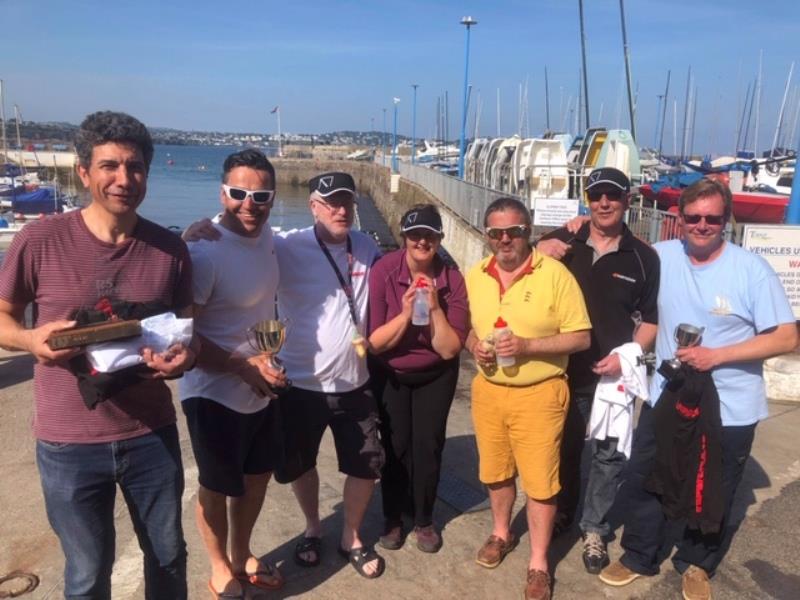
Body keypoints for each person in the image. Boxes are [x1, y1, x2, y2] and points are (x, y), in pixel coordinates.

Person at [0, 111, 195, 599]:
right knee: (87, 573)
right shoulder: (38, 240)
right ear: (83, 172)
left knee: (169, 558)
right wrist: (29, 340)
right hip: (68, 444)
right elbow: (3, 316)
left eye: (135, 167)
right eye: (109, 166)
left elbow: (185, 335)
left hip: (151, 435)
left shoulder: (170, 249)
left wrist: (181, 361)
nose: (123, 179)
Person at [598, 178, 797, 600]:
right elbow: (610, 242)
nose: (702, 225)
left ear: (726, 220)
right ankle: (638, 554)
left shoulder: (751, 270)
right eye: (693, 217)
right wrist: (569, 233)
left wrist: (716, 356)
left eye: (713, 218)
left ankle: (695, 563)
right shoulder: (660, 256)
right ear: (679, 218)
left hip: (730, 405)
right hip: (667, 396)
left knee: (714, 489)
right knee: (649, 475)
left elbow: (786, 338)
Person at [465, 197, 592, 600]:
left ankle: (539, 563)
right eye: (496, 233)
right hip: (489, 391)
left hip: (540, 392)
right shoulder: (476, 275)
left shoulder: (554, 274)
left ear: (529, 232)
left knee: (540, 481)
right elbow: (466, 327)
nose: (505, 240)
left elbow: (581, 336)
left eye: (514, 232)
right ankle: (501, 533)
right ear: (487, 236)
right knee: (496, 471)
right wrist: (473, 347)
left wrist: (528, 346)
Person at [536, 167, 659, 573]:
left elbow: (651, 323)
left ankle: (595, 529)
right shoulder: (563, 241)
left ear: (627, 200)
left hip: (613, 378)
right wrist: (541, 249)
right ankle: (564, 514)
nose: (603, 202)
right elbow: (520, 277)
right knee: (564, 450)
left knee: (608, 458)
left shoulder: (644, 258)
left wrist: (627, 355)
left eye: (612, 195)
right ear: (586, 199)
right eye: (596, 195)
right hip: (562, 371)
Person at [178, 149, 287, 599]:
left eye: (260, 195)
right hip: (212, 391)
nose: (249, 203)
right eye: (239, 193)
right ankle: (219, 564)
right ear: (222, 193)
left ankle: (242, 552)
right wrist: (240, 366)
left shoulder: (267, 237)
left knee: (258, 477)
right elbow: (183, 338)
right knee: (216, 486)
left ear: (273, 198)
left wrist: (264, 361)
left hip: (259, 383)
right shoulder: (203, 250)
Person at [275, 172, 386, 578]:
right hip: (301, 383)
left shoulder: (367, 244)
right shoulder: (287, 245)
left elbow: (410, 264)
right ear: (314, 207)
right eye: (331, 202)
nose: (341, 210)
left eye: (347, 202)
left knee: (365, 464)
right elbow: (242, 243)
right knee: (300, 464)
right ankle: (313, 527)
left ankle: (351, 536)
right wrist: (207, 228)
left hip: (355, 382)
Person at [367, 204, 468, 553]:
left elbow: (449, 349)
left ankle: (424, 519)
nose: (421, 241)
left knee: (427, 445)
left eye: (429, 235)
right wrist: (408, 313)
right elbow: (376, 342)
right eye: (414, 235)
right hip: (390, 370)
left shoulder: (452, 279)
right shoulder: (384, 270)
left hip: (435, 373)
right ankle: (393, 517)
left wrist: (436, 307)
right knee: (394, 446)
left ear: (439, 239)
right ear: (404, 237)